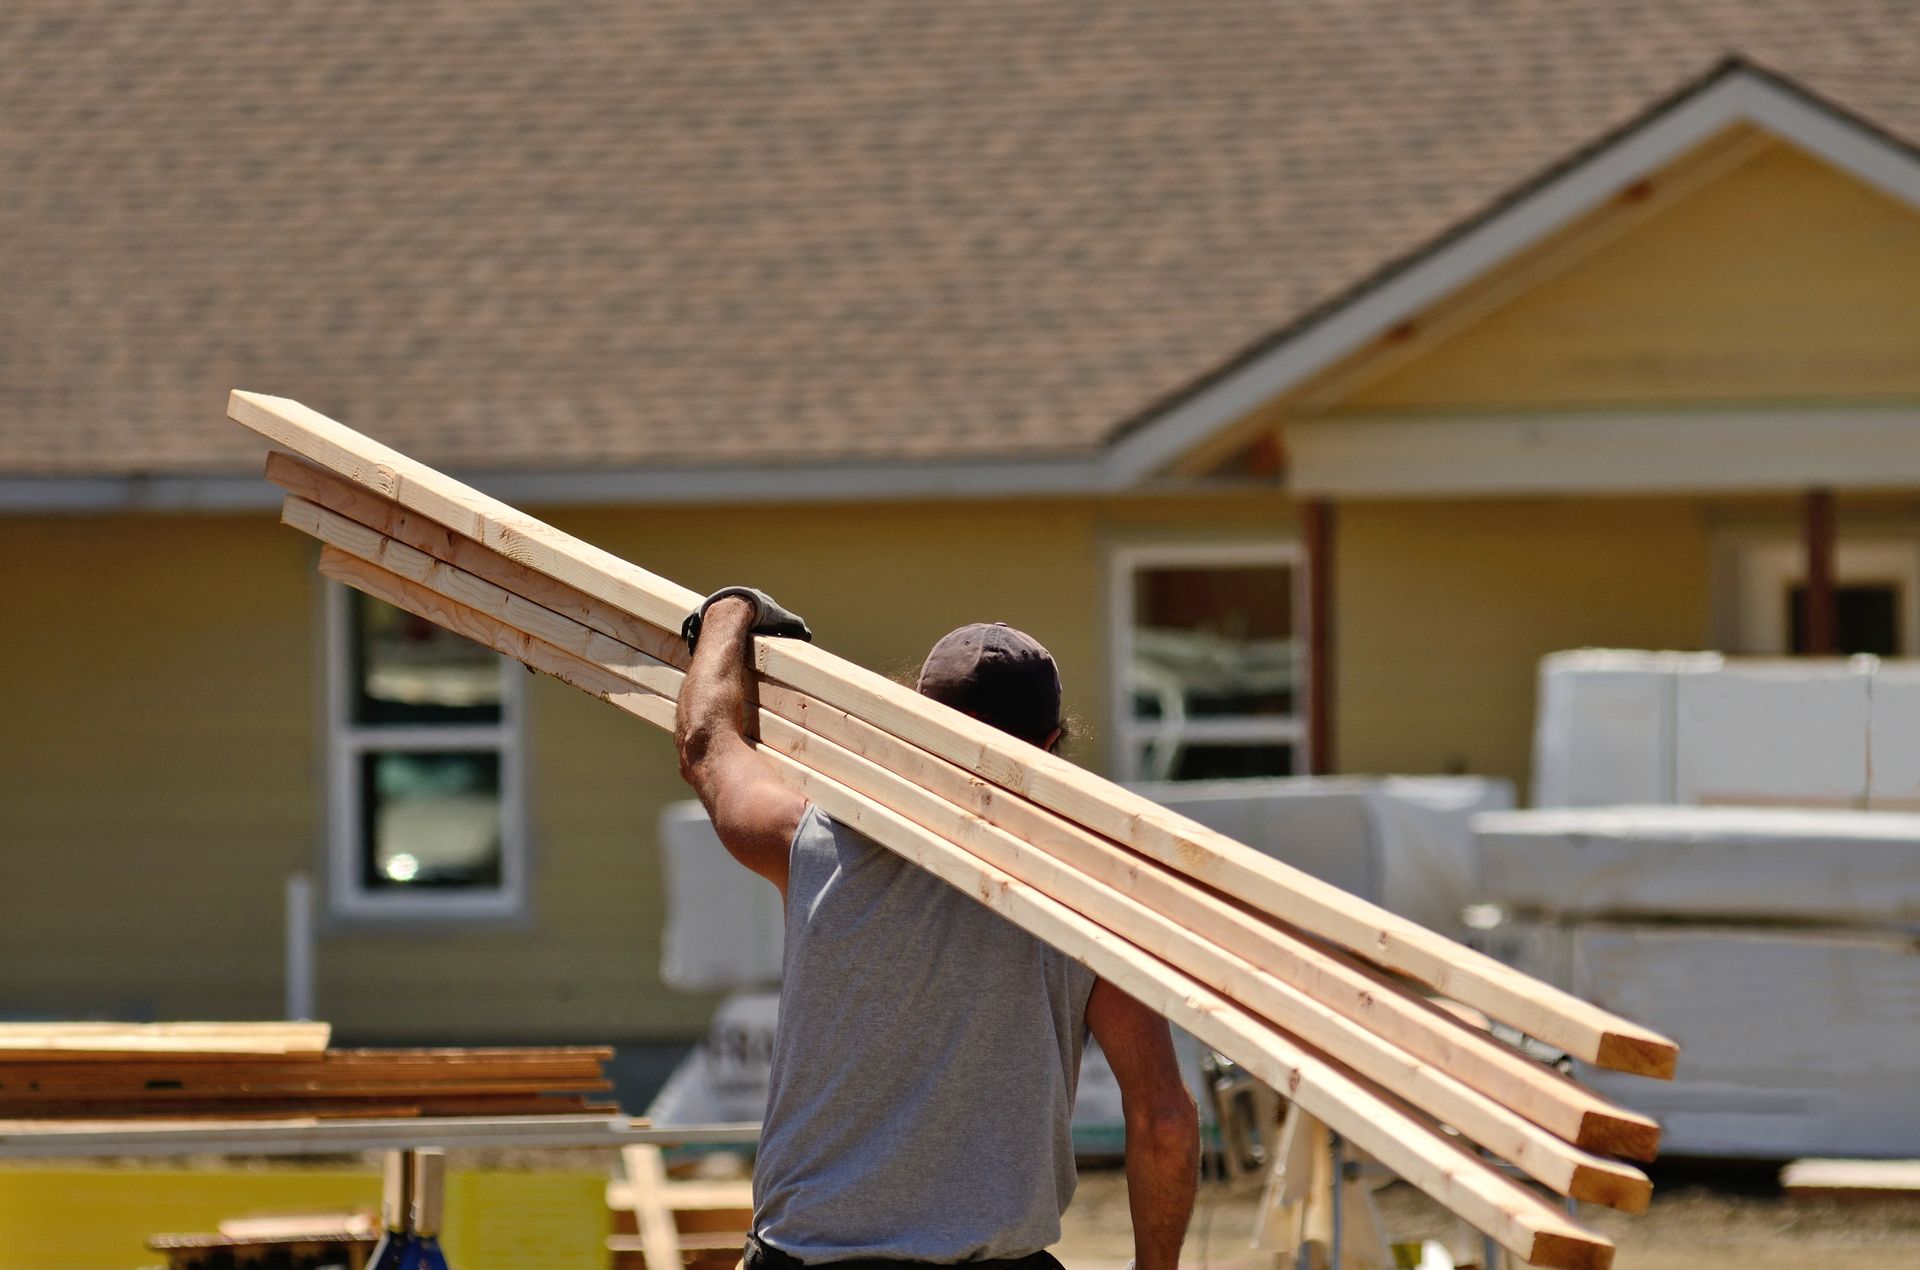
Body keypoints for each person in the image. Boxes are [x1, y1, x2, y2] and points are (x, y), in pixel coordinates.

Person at [675, 589, 1199, 1270]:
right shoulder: (1088, 904)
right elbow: (1163, 1121)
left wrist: (731, 612)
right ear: (1048, 746)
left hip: (814, 1258)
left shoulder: (820, 846)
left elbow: (707, 744)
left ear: (914, 726)